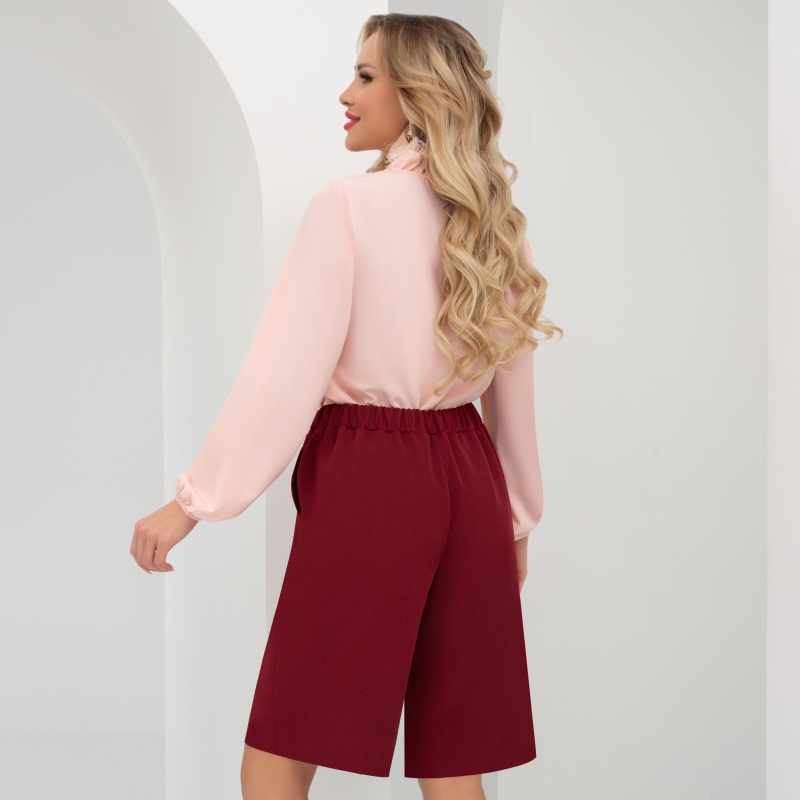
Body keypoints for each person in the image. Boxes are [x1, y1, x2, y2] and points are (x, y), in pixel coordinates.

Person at [130, 12, 560, 800]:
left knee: (279, 751)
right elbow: (513, 393)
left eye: (365, 76)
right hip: (471, 483)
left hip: (373, 477)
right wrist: (516, 525)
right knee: (454, 762)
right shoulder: (495, 225)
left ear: (418, 93)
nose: (345, 94)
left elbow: (283, 374)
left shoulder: (348, 206)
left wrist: (192, 502)